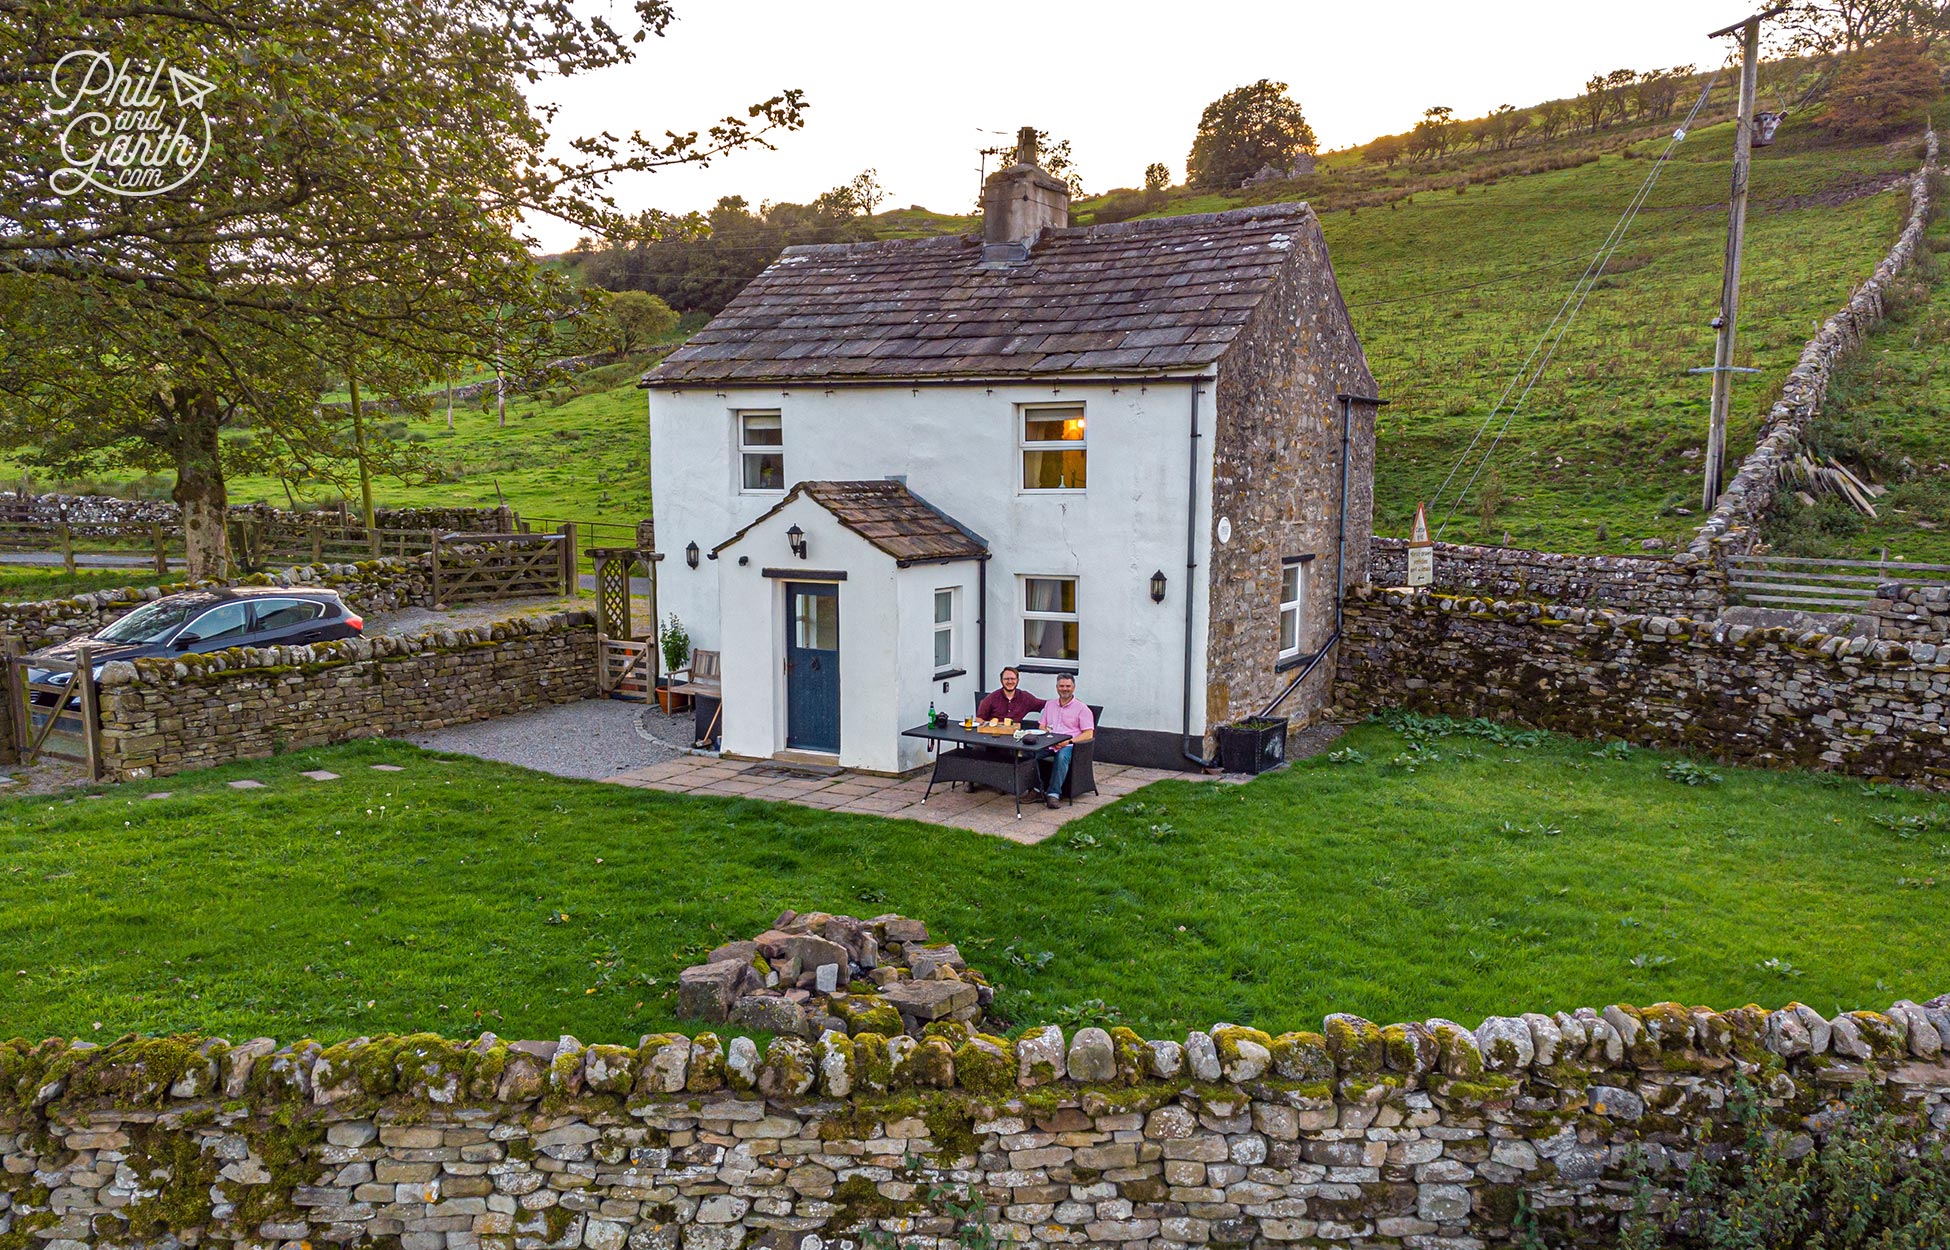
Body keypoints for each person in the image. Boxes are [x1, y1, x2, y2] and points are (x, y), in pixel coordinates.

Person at [1031, 674, 1094, 809]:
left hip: (1071, 745)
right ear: (1056, 687)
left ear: (1073, 687)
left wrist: (1069, 742)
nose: (1064, 689)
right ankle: (1038, 790)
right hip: (1050, 743)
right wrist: (1047, 732)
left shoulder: (1082, 708)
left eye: (1068, 686)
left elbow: (1089, 733)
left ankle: (1053, 794)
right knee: (1029, 755)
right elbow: (1042, 725)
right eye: (1061, 686)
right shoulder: (1050, 705)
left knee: (1061, 756)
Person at [976, 666, 1044, 724]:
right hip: (994, 736)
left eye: (1013, 679)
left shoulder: (1025, 697)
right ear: (1001, 681)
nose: (1010, 682)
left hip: (1015, 735)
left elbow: (1045, 704)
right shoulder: (991, 698)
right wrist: (989, 725)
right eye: (1006, 679)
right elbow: (978, 719)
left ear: (1017, 680)